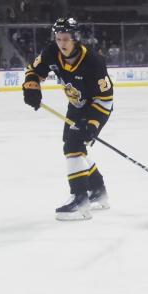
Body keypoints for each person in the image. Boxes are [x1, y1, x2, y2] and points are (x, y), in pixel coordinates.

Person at [22, 17, 113, 221]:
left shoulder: (93, 62)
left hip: (95, 107)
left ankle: (80, 199)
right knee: (73, 147)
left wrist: (92, 124)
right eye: (58, 38)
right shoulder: (51, 52)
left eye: (65, 39)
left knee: (73, 145)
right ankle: (97, 190)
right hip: (75, 106)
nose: (61, 43)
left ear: (75, 39)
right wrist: (32, 87)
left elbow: (106, 99)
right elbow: (33, 70)